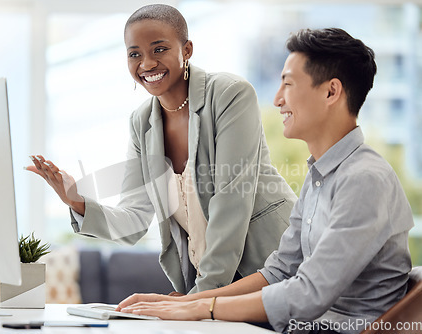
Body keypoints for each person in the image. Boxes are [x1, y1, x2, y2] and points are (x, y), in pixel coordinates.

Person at [116, 28, 414, 334]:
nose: (277, 100)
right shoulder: (320, 177)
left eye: (288, 84)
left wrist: (201, 308)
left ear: (331, 92)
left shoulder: (364, 179)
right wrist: (184, 304)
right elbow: (280, 270)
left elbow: (307, 293)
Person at [27, 4, 296, 295]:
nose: (146, 63)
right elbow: (134, 220)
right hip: (216, 288)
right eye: (134, 54)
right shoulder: (142, 123)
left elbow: (231, 206)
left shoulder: (230, 95)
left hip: (277, 269)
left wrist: (195, 300)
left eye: (158, 49)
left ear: (187, 49)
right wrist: (77, 201)